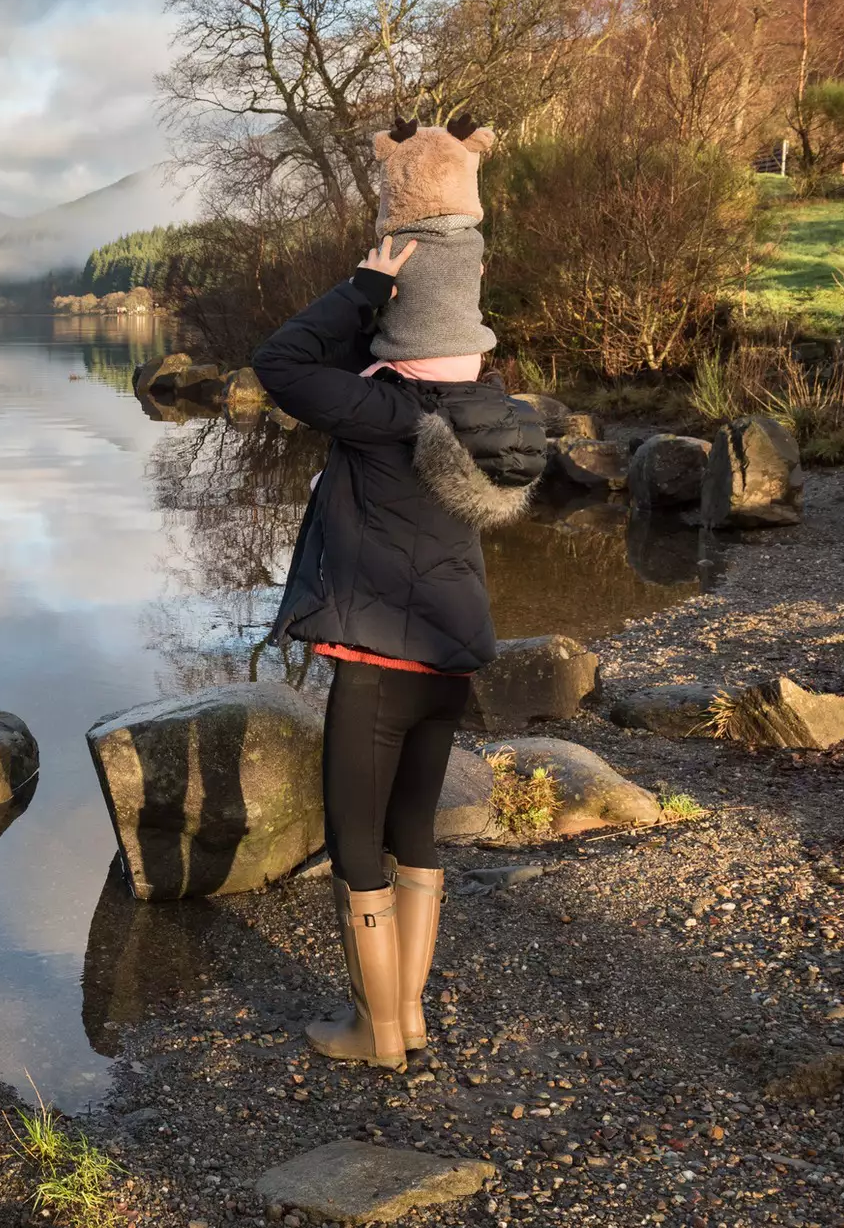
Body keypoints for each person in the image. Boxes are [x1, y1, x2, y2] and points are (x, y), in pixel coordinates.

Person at [252, 230, 546, 1069]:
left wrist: (363, 288)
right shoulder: (495, 414)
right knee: (413, 829)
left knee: (355, 839)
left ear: (403, 323)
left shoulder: (382, 413)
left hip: (380, 666)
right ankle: (406, 1016)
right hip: (450, 661)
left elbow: (281, 363)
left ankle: (375, 1031)